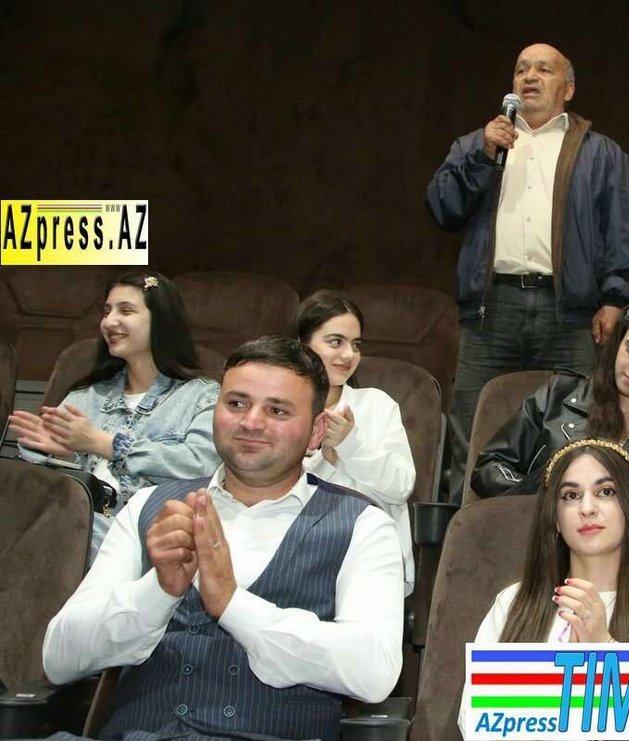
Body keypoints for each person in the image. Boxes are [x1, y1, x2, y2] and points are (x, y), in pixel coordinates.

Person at [42, 336, 404, 740]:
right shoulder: (150, 506)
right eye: (236, 403)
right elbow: (59, 658)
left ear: (317, 430)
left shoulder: (362, 524)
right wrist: (158, 590)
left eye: (277, 410)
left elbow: (374, 672)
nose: (251, 422)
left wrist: (233, 604)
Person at [425, 42, 629, 501]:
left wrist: (615, 298)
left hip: (571, 314)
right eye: (522, 69)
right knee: (471, 429)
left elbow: (620, 231)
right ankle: (466, 535)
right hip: (492, 309)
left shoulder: (601, 153)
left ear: (568, 88)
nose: (530, 77)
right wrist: (481, 154)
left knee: (578, 430)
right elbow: (443, 208)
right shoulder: (480, 142)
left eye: (544, 69)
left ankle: (567, 528)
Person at [460, 438, 629, 734]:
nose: (587, 508)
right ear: (555, 517)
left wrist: (607, 652)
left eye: (606, 492)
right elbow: (474, 719)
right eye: (570, 495)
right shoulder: (515, 602)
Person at [8, 270, 219, 555]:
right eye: (107, 311)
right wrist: (62, 456)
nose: (109, 321)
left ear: (162, 321)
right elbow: (38, 480)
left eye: (126, 311)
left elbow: (202, 466)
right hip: (77, 526)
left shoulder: (202, 396)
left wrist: (104, 444)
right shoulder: (86, 396)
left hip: (149, 536)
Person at [472, 298, 629, 514]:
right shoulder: (559, 394)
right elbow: (489, 467)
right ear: (617, 345)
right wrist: (550, 498)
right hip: (542, 532)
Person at [296, 289, 417, 594]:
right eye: (335, 342)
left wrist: (349, 445)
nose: (349, 355)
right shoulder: (280, 408)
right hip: (295, 552)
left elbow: (401, 485)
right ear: (303, 345)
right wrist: (325, 460)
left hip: (366, 558)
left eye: (356, 344)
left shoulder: (376, 404)